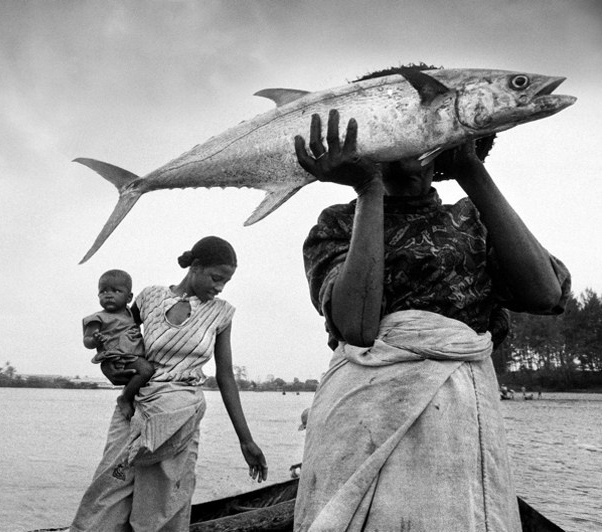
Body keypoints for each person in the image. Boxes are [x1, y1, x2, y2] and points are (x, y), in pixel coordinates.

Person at [291, 66, 571, 531]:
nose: (412, 159)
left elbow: (544, 294)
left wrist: (470, 168)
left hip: (458, 418)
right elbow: (357, 328)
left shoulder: (473, 220)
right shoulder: (338, 224)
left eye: (424, 144)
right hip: (360, 413)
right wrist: (369, 189)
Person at [70, 236, 268, 531]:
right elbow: (118, 330)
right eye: (216, 278)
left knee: (163, 504)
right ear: (196, 267)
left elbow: (225, 376)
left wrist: (246, 439)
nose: (219, 287)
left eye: (225, 282)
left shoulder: (221, 313)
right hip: (136, 406)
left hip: (180, 412)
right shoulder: (150, 297)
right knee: (108, 489)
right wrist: (107, 365)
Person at [82, 269, 154, 419]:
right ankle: (125, 398)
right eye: (103, 291)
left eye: (116, 291)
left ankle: (135, 400)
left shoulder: (129, 313)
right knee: (146, 370)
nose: (108, 295)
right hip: (117, 358)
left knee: (147, 374)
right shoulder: (97, 318)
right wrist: (95, 340)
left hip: (132, 355)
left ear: (129, 297)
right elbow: (87, 341)